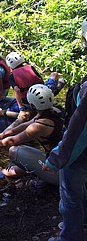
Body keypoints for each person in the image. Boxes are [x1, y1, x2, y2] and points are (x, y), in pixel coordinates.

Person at [42, 18, 87, 241]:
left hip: (81, 154)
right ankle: (84, 220)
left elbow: (79, 130)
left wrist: (57, 158)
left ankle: (70, 236)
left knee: (70, 197)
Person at [0, 84, 63, 185]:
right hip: (61, 160)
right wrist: (4, 133)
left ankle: (2, 172)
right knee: (28, 159)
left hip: (59, 172)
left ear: (33, 106)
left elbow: (13, 141)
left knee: (14, 151)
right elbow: (27, 124)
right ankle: (15, 171)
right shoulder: (54, 110)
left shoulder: (40, 126)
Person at [5, 51, 65, 129]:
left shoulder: (11, 76)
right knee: (54, 74)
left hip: (29, 100)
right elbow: (41, 80)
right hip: (43, 92)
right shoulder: (30, 67)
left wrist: (22, 109)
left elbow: (17, 90)